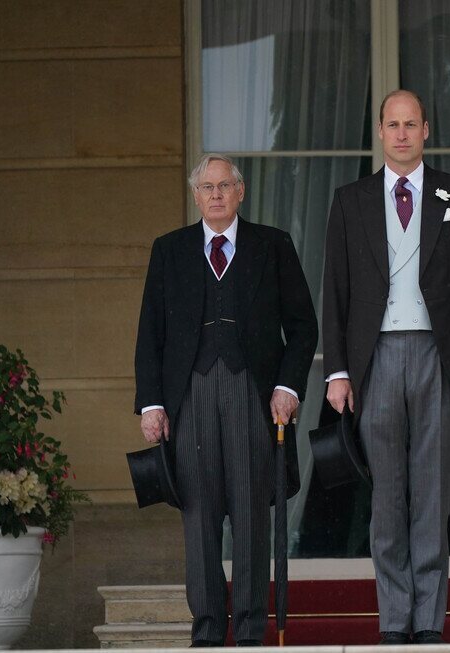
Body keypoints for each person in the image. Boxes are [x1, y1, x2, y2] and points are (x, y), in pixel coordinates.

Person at [321, 89, 450, 645]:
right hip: (375, 359)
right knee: (386, 495)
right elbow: (336, 292)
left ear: (426, 130)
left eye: (410, 124)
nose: (401, 134)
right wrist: (338, 371)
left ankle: (428, 620)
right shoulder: (350, 200)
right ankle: (394, 617)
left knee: (432, 491)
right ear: (379, 130)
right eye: (391, 124)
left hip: (436, 356)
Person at [134, 154, 318, 647]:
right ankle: (209, 632)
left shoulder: (272, 245)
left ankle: (253, 631)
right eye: (207, 187)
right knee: (198, 516)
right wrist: (151, 402)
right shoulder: (169, 250)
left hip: (252, 394)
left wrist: (288, 386)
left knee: (253, 514)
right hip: (189, 397)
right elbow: (150, 331)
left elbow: (303, 326)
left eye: (225, 186)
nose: (215, 194)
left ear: (240, 192)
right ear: (196, 196)